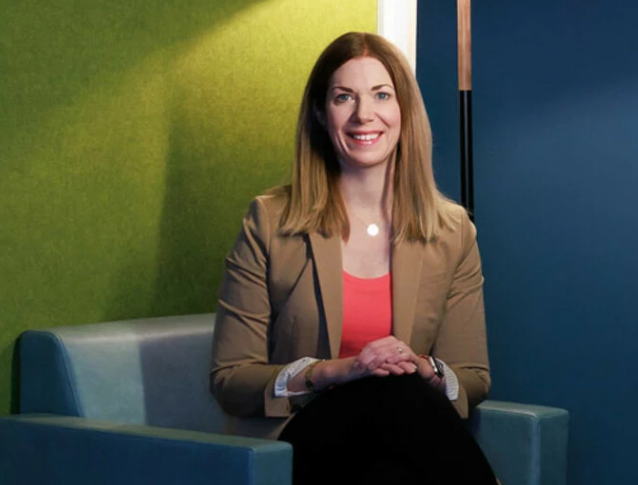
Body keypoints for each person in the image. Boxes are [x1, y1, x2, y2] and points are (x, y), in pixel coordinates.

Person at [211, 32, 497, 485]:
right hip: (300, 444)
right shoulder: (270, 221)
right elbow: (230, 381)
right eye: (345, 97)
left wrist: (423, 368)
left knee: (392, 461)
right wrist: (340, 372)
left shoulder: (451, 231)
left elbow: (473, 378)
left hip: (400, 444)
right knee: (391, 390)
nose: (365, 114)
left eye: (381, 95)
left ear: (404, 110)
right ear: (322, 114)